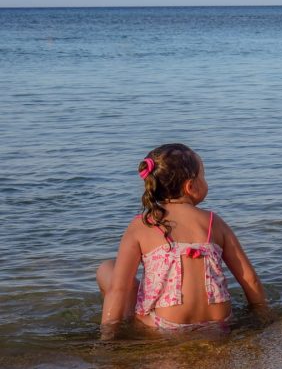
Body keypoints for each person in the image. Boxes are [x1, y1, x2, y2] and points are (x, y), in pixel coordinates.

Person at [96, 143, 271, 339]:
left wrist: (108, 335)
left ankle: (124, 327)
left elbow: (119, 288)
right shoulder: (214, 221)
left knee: (107, 269)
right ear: (190, 186)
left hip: (165, 326)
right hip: (220, 323)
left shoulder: (141, 225)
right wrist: (262, 315)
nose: (206, 181)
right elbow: (249, 278)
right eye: (203, 176)